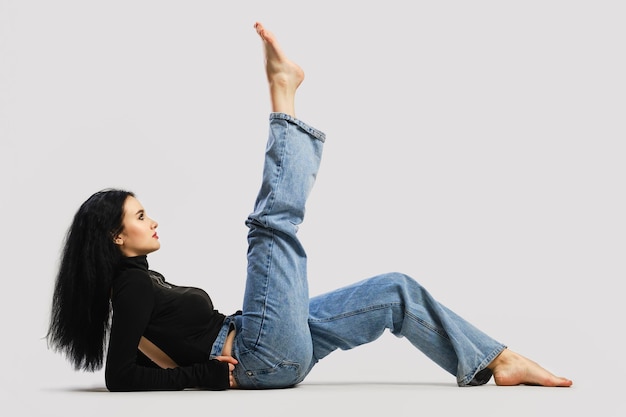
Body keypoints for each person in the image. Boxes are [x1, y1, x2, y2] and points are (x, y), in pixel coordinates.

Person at [46, 22, 572, 391]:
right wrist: (204, 376)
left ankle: (496, 360)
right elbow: (121, 380)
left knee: (394, 291)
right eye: (140, 216)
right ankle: (283, 94)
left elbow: (141, 360)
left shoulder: (140, 279)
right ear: (115, 237)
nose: (153, 219)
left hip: (259, 342)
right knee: (270, 228)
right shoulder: (132, 285)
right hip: (255, 357)